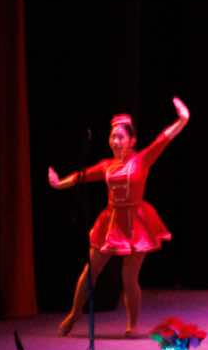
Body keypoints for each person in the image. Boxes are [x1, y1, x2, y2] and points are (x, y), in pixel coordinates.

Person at [49, 97, 190, 337]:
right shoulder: (107, 165)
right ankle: (74, 313)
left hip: (137, 223)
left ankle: (132, 324)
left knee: (129, 277)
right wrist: (58, 184)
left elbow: (163, 139)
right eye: (112, 137)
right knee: (90, 271)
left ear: (132, 141)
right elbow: (81, 176)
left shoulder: (142, 159)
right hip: (111, 222)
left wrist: (182, 119)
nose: (115, 141)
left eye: (120, 137)